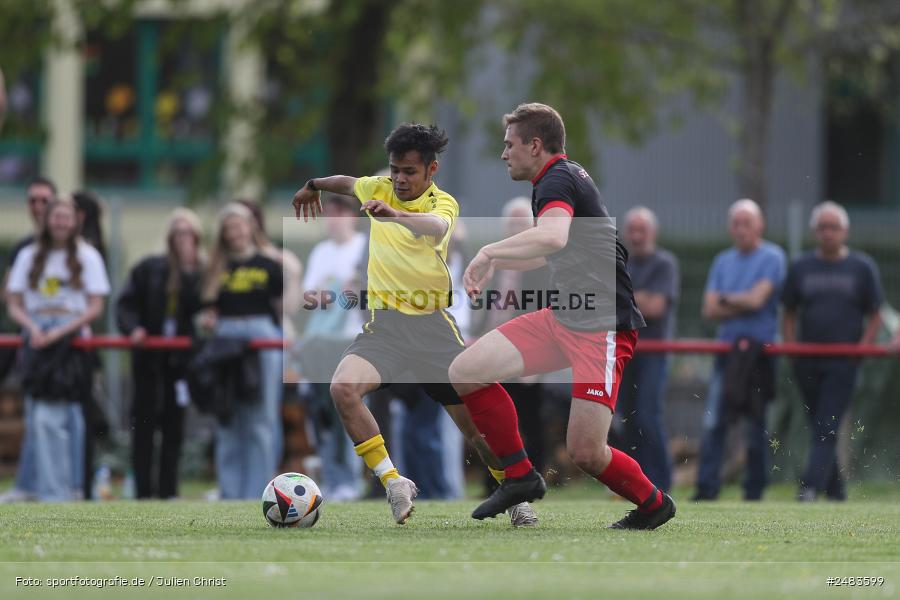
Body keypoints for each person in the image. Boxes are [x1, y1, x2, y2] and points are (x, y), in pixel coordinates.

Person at [292, 123, 537, 526]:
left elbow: (437, 228)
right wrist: (313, 183)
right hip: (386, 328)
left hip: (433, 330)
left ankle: (514, 496)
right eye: (395, 171)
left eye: (409, 172)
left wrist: (395, 215)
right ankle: (394, 482)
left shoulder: (443, 204)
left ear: (431, 170)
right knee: (342, 389)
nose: (400, 179)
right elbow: (348, 182)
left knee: (476, 431)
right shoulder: (379, 187)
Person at [448, 102, 674, 530]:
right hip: (566, 317)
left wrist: (489, 251)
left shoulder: (557, 178)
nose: (503, 154)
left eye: (509, 145)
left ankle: (653, 504)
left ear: (535, 145)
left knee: (586, 452)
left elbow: (552, 237)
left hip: (602, 327)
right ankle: (519, 477)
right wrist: (499, 263)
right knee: (466, 370)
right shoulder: (556, 178)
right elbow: (554, 250)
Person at [5, 197, 110, 501]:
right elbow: (14, 301)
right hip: (38, 340)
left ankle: (71, 488)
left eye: (67, 217)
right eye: (56, 216)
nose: (61, 222)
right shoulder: (29, 255)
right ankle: (47, 489)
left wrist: (61, 332)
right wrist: (36, 329)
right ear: (47, 220)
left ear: (75, 221)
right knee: (41, 416)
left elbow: (95, 306)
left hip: (73, 342)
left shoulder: (87, 256)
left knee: (72, 418)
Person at [782, 202, 883, 501]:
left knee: (826, 423)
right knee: (821, 425)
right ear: (815, 232)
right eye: (823, 228)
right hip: (807, 362)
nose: (828, 233)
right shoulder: (800, 267)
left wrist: (862, 349)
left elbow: (876, 313)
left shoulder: (862, 267)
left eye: (834, 227)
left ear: (846, 232)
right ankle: (836, 492)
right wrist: (792, 350)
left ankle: (809, 487)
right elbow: (788, 311)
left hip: (844, 362)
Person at [694, 199, 786, 502]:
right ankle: (707, 488)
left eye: (747, 222)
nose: (741, 229)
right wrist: (739, 301)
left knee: (756, 424)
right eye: (736, 223)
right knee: (714, 421)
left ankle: (755, 490)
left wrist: (724, 300)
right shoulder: (723, 260)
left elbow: (757, 301)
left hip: (761, 354)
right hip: (727, 353)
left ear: (760, 225)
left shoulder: (773, 257)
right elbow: (708, 309)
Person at [116, 208, 205, 499]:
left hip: (179, 363)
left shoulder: (201, 273)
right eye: (178, 233)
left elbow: (202, 310)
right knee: (143, 426)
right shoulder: (150, 268)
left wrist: (190, 272)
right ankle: (143, 491)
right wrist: (134, 329)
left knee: (174, 426)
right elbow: (126, 304)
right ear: (169, 237)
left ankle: (168, 491)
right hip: (148, 359)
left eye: (189, 233)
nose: (183, 239)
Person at [198, 203, 284, 500]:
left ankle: (260, 492)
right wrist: (208, 320)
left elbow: (283, 309)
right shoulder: (215, 268)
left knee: (260, 419)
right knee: (228, 416)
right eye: (229, 227)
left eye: (240, 225)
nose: (235, 233)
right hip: (226, 337)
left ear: (251, 227)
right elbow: (205, 310)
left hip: (261, 337)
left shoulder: (270, 264)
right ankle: (230, 492)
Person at [474, 196, 551, 491]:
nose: (516, 227)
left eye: (522, 222)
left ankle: (533, 477)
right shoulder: (498, 262)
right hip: (497, 347)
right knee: (494, 418)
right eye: (513, 222)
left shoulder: (540, 264)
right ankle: (494, 481)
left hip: (528, 349)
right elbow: (491, 309)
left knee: (529, 418)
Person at [298, 194, 367, 500]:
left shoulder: (364, 246)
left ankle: (350, 480)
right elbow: (310, 299)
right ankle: (331, 477)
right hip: (322, 343)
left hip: (352, 339)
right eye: (331, 213)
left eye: (341, 212)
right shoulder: (321, 251)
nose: (335, 219)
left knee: (349, 410)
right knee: (323, 414)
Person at [0, 176, 58, 503]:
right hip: (33, 337)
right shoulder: (23, 248)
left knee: (67, 418)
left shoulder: (73, 245)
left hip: (66, 339)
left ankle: (63, 486)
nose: (38, 207)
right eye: (32, 200)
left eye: (44, 200)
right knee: (35, 413)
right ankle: (28, 483)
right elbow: (10, 294)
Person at [618, 206, 679, 492]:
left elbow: (655, 307)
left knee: (648, 416)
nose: (637, 235)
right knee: (628, 420)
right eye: (633, 229)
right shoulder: (622, 262)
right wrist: (637, 298)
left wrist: (624, 298)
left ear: (653, 232)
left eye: (642, 229)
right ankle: (636, 484)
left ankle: (663, 482)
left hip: (654, 352)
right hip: (624, 352)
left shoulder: (664, 263)